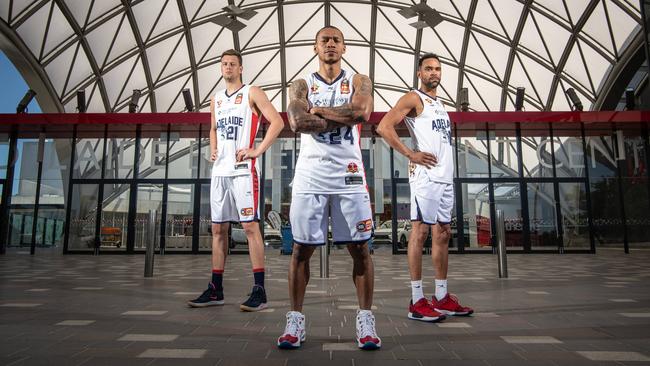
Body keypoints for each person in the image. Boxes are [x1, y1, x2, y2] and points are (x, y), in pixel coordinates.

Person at [276, 26, 380, 350]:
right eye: (325, 40)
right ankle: (295, 321)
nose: (331, 44)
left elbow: (362, 111)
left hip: (349, 173)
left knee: (360, 249)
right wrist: (342, 116)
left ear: (345, 47)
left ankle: (365, 321)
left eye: (336, 40)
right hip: (311, 174)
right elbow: (297, 122)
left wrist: (319, 111)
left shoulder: (360, 80)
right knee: (300, 250)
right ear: (315, 47)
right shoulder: (301, 84)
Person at [377, 53, 473, 322]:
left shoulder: (440, 104)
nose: (434, 73)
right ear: (420, 73)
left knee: (442, 233)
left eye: (438, 69)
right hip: (425, 177)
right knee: (419, 232)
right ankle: (416, 299)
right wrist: (411, 154)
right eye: (429, 68)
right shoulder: (413, 98)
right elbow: (384, 127)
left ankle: (441, 297)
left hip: (444, 177)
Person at [187, 49, 284, 312]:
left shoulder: (253, 92)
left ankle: (260, 290)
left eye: (232, 64)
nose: (228, 67)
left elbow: (276, 122)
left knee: (250, 227)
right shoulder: (216, 99)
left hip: (243, 170)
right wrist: (213, 147)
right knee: (218, 230)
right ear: (221, 68)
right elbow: (213, 128)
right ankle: (216, 288)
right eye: (224, 63)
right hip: (220, 171)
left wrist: (257, 150)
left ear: (240, 68)